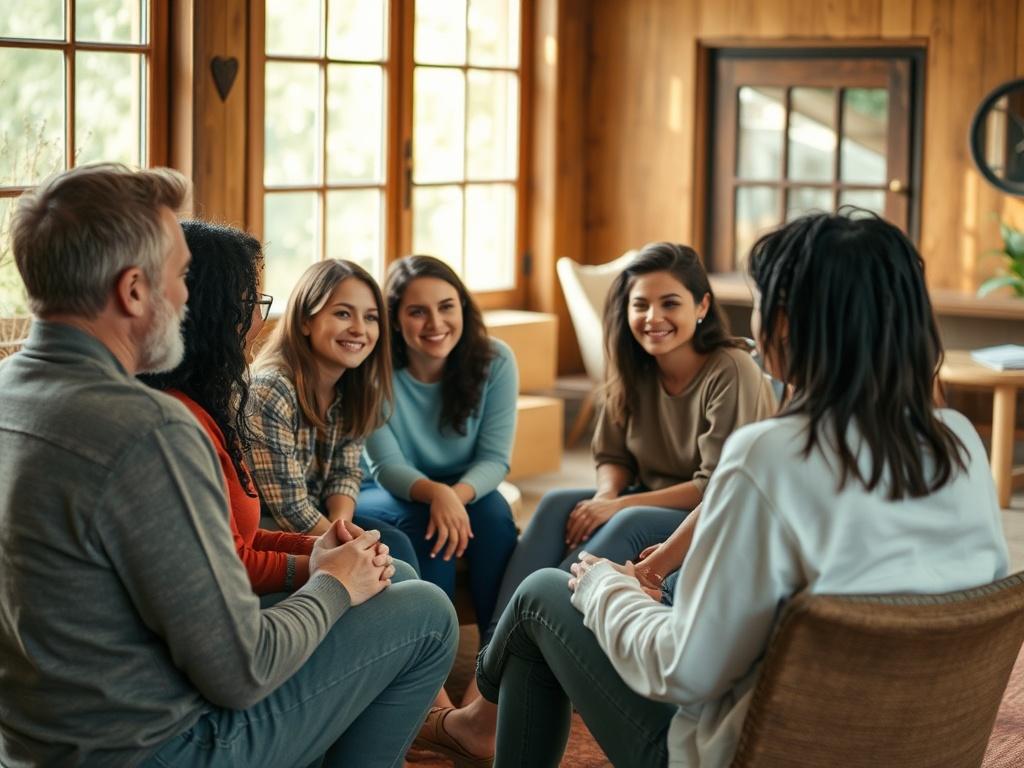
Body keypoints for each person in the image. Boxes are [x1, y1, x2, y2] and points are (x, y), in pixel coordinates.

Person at [432, 211, 1010, 767]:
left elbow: (682, 670)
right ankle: (481, 719)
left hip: (761, 753)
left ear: (785, 323)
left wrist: (607, 589)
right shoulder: (958, 442)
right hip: (920, 748)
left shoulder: (771, 455)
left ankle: (477, 719)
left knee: (544, 592)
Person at [0, 164, 457, 767]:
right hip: (153, 749)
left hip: (36, 742)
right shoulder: (150, 430)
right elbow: (243, 670)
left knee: (390, 574)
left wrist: (315, 563)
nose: (187, 299)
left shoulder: (10, 389)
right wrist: (333, 585)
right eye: (180, 276)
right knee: (427, 613)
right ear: (133, 290)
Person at [489, 243, 775, 624]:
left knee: (629, 519)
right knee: (558, 505)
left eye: (670, 303)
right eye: (640, 305)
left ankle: (538, 623)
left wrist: (618, 506)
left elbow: (716, 487)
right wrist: (607, 495)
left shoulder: (731, 370)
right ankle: (494, 644)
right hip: (650, 495)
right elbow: (612, 456)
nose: (653, 317)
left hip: (714, 513)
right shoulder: (631, 366)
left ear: (702, 306)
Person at [141, 221, 319, 594]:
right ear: (213, 313)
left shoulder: (205, 403)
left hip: (238, 589)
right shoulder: (178, 420)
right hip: (226, 606)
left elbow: (243, 537)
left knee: (395, 569)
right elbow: (227, 564)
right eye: (252, 302)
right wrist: (324, 565)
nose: (258, 320)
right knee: (422, 598)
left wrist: (320, 547)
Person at [359, 255, 519, 647]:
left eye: (446, 307)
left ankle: (500, 652)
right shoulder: (371, 370)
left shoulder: (496, 361)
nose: (436, 323)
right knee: (429, 527)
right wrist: (436, 495)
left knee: (495, 518)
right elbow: (386, 466)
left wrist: (452, 496)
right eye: (417, 312)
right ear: (395, 319)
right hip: (385, 487)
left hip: (462, 484)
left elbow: (495, 459)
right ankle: (434, 655)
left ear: (462, 307)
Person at [246, 259, 419, 570]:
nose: (359, 329)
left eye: (370, 317)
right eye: (343, 314)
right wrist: (349, 547)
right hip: (266, 530)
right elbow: (290, 508)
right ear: (305, 321)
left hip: (315, 519)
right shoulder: (272, 389)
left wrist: (342, 528)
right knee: (388, 564)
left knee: (399, 544)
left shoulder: (356, 388)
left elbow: (345, 473)